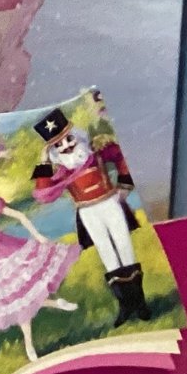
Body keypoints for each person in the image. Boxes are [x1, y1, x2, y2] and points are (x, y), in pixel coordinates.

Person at [29, 107, 148, 324]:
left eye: (69, 139)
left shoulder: (97, 152)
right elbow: (42, 193)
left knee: (125, 247)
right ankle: (125, 305)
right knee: (107, 253)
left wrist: (124, 185)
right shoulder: (62, 172)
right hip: (88, 213)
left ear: (77, 135)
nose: (67, 146)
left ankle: (140, 303)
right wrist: (43, 159)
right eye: (59, 144)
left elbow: (120, 155)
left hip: (110, 204)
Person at [0, 166, 77, 363]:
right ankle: (56, 303)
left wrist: (37, 235)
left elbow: (20, 216)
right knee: (13, 301)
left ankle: (29, 345)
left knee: (20, 296)